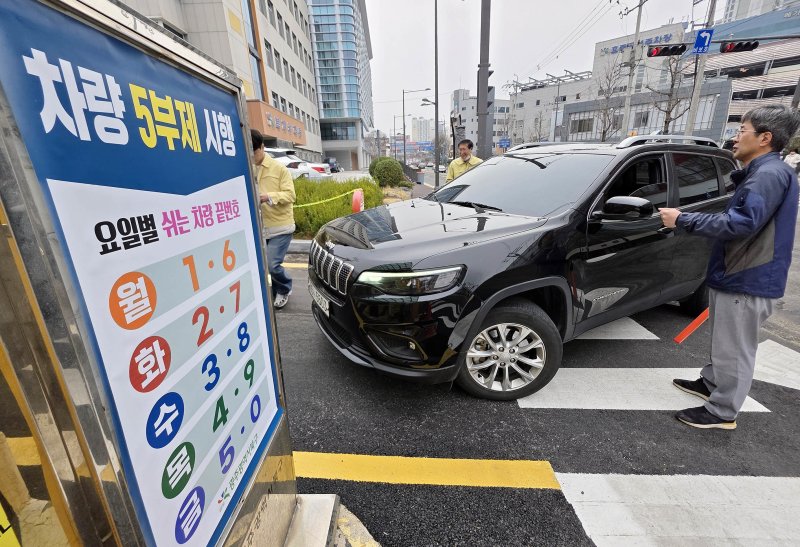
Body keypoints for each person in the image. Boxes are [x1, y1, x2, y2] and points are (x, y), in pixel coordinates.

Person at [659, 105, 800, 430]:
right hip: (742, 272)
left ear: (765, 138)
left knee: (735, 348)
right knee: (726, 341)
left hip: (748, 276)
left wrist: (683, 219)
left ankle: (723, 411)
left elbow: (741, 223)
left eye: (742, 131)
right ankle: (711, 383)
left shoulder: (768, 175)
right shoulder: (766, 172)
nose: (735, 137)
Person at [251, 129, 296, 309]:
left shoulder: (279, 169)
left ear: (262, 147)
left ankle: (284, 288)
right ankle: (276, 289)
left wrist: (267, 197)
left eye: (254, 152)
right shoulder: (248, 167)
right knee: (263, 264)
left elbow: (290, 195)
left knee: (272, 264)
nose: (252, 156)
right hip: (260, 226)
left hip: (280, 227)